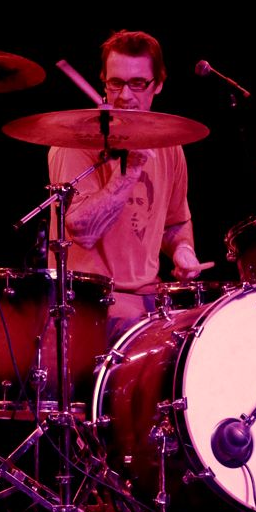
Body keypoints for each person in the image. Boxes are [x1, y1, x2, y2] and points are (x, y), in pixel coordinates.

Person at [48, 29, 202, 342]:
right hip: (90, 304)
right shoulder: (75, 143)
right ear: (103, 81)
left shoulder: (169, 144)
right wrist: (130, 170)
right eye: (116, 83)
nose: (125, 96)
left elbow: (176, 222)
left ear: (158, 84)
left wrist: (183, 250)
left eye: (138, 84)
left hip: (149, 299)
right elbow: (83, 231)